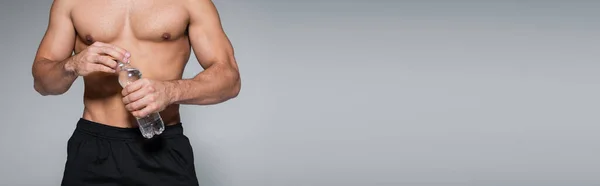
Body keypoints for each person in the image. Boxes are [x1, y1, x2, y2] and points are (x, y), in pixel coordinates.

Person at [31, 0, 241, 185]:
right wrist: (72, 65)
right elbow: (42, 83)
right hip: (94, 146)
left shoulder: (190, 2)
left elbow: (229, 79)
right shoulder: (71, 2)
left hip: (161, 143)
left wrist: (170, 91)